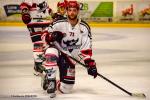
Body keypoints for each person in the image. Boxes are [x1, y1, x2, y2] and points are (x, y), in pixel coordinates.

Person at [42, 0, 97, 98]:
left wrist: (90, 64)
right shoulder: (58, 23)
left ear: (78, 11)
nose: (72, 12)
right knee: (51, 51)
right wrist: (50, 37)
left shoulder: (84, 27)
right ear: (67, 11)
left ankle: (57, 82)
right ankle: (50, 79)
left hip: (70, 59)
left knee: (66, 89)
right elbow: (44, 36)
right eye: (70, 10)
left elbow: (86, 47)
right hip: (58, 53)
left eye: (74, 10)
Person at [20, 0, 53, 75]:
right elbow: (24, 5)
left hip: (46, 23)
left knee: (45, 44)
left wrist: (52, 14)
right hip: (34, 25)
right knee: (38, 44)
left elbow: (46, 8)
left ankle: (38, 64)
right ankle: (38, 65)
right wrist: (25, 13)